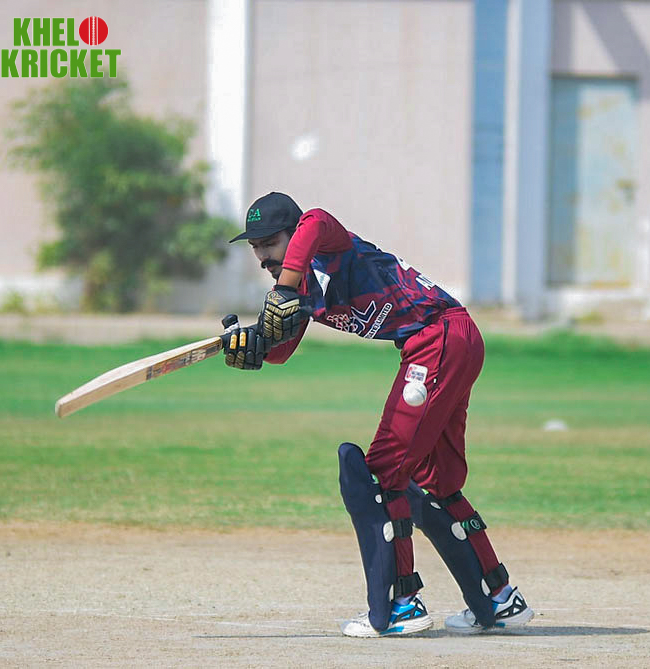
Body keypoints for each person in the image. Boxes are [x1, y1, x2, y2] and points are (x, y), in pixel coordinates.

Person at [222, 192, 534, 637]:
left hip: (438, 337)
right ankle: (500, 599)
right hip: (452, 340)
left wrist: (285, 287)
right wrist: (253, 347)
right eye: (255, 246)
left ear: (293, 236)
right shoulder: (300, 292)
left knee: (384, 471)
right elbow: (281, 351)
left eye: (270, 242)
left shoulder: (330, 246)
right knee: (439, 481)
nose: (262, 257)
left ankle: (402, 606)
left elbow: (316, 219)